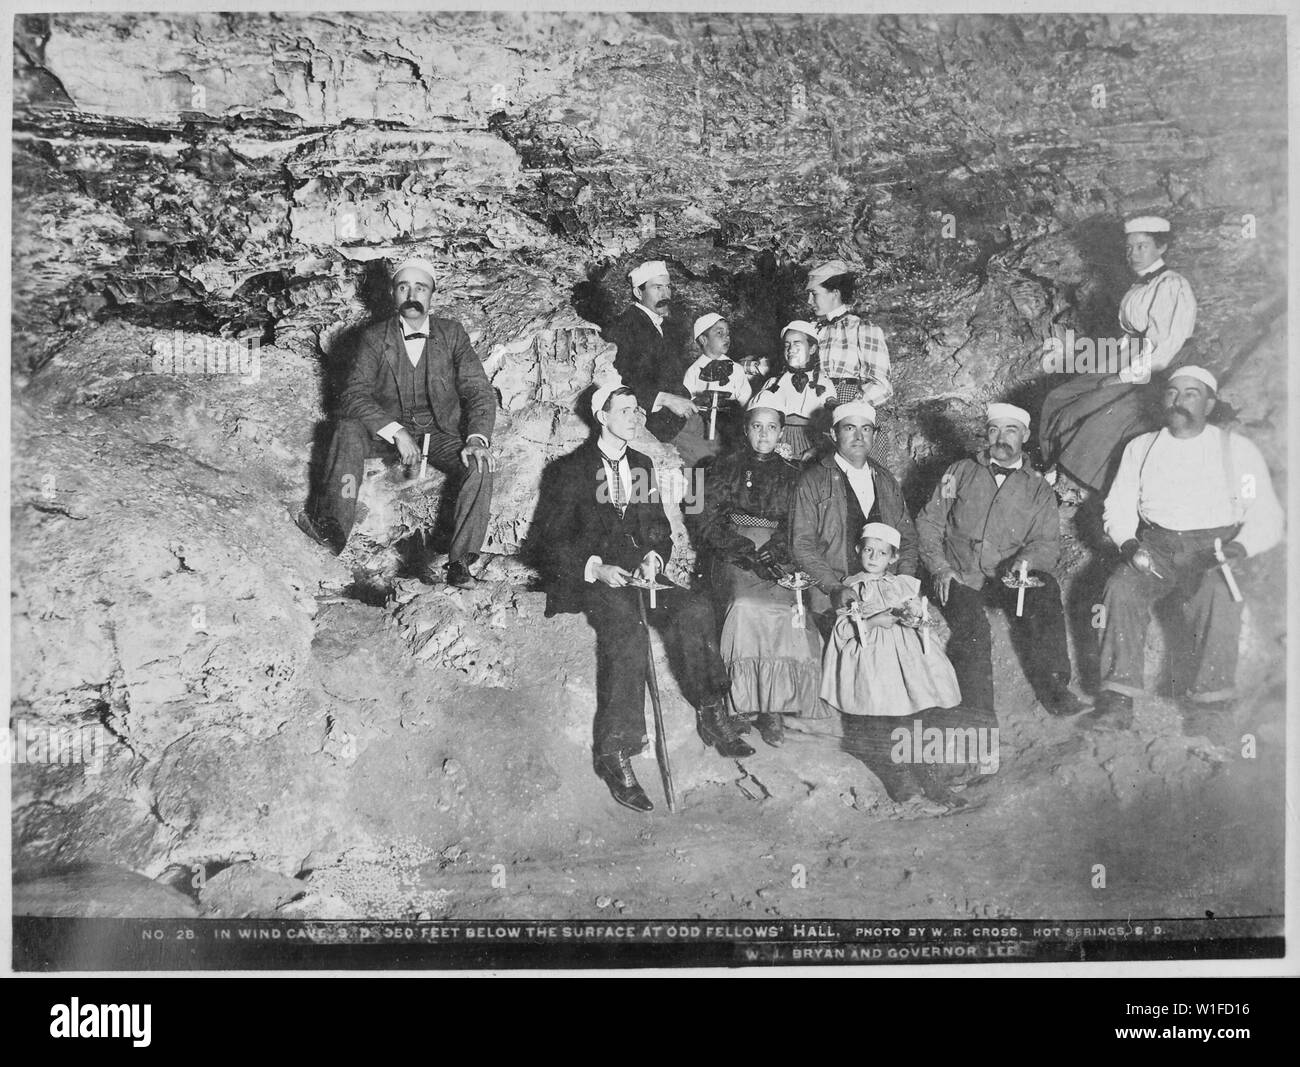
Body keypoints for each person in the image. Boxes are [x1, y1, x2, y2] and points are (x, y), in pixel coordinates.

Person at [540, 385, 754, 814]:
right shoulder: (569, 470)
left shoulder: (641, 463)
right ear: (602, 417)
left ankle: (712, 710)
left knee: (693, 608)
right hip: (593, 577)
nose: (636, 415)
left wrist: (654, 559)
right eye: (625, 410)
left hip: (638, 574)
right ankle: (615, 752)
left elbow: (657, 526)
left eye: (637, 408)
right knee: (627, 632)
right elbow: (550, 543)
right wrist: (596, 567)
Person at [1085, 367, 1284, 742]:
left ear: (1209, 403)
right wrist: (1130, 546)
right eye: (1172, 393)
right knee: (1121, 588)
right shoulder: (1140, 448)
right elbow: (1118, 506)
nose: (1179, 401)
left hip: (1214, 549)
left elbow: (1266, 515)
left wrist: (1239, 548)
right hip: (1156, 546)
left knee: (1219, 593)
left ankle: (1211, 706)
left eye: (1191, 394)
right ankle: (1118, 700)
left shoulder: (1235, 449)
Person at [297, 257, 496, 587]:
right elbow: (353, 394)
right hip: (387, 435)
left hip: (438, 434)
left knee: (479, 464)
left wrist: (476, 437)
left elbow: (478, 390)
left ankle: (460, 561)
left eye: (421, 288)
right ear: (393, 294)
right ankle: (332, 527)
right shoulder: (374, 338)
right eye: (404, 287)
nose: (412, 294)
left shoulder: (452, 334)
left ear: (432, 294)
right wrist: (396, 431)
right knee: (346, 429)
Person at [916, 404, 1086, 717]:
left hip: (1007, 579)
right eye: (994, 429)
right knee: (973, 627)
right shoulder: (958, 472)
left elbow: (1046, 542)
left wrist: (1024, 561)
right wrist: (940, 568)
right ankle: (978, 715)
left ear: (1025, 435)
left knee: (1046, 590)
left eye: (1010, 430)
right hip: (959, 574)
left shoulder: (1037, 488)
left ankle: (1055, 688)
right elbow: (929, 522)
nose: (1001, 437)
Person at [1040, 215, 1198, 500]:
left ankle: (1075, 482)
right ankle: (1054, 463)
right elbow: (1132, 333)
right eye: (1129, 248)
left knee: (1094, 410)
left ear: (1161, 248)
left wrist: (1120, 376)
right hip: (1132, 355)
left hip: (1160, 367)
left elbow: (1164, 347)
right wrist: (1110, 361)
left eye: (1142, 246)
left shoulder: (1171, 285)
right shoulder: (1140, 285)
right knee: (1062, 394)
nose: (1133, 254)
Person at [696, 405, 823, 747]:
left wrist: (778, 550)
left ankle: (773, 706)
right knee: (744, 605)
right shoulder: (722, 467)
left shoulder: (794, 474)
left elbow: (801, 522)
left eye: (771, 428)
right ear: (746, 430)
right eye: (757, 427)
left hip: (779, 553)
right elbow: (706, 519)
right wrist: (744, 550)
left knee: (788, 611)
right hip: (733, 549)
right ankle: (739, 701)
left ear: (782, 433)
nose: (764, 434)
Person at [821, 523, 963, 815]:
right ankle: (902, 784)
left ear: (893, 558)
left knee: (914, 718)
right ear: (859, 550)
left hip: (905, 662)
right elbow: (844, 629)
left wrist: (913, 619)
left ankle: (932, 779)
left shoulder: (902, 584)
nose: (874, 557)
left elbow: (920, 617)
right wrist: (873, 621)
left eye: (882, 552)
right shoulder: (852, 587)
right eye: (868, 549)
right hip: (873, 661)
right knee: (882, 722)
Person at [790, 400, 918, 625]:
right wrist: (834, 587)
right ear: (833, 433)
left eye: (866, 429)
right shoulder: (813, 480)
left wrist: (904, 584)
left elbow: (906, 538)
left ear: (874, 435)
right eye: (850, 428)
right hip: (833, 596)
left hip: (885, 597)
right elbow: (802, 545)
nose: (859, 436)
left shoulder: (886, 480)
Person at [606, 260, 718, 467]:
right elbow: (624, 380)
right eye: (657, 288)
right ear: (638, 293)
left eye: (668, 287)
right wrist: (666, 399)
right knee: (707, 464)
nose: (665, 294)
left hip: (679, 417)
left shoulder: (666, 327)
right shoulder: (626, 326)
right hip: (655, 424)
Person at [805, 258, 894, 407]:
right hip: (810, 402)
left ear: (834, 293)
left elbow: (882, 385)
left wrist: (848, 410)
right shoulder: (810, 328)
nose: (809, 301)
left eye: (814, 294)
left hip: (849, 402)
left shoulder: (863, 329)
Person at [748, 321, 835, 462]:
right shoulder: (773, 383)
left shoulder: (823, 383)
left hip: (811, 445)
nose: (790, 349)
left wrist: (818, 448)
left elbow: (833, 422)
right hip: (777, 444)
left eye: (797, 343)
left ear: (812, 348)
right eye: (787, 345)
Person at [682, 312, 753, 407]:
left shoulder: (736, 369)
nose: (726, 337)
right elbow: (685, 400)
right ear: (703, 340)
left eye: (728, 334)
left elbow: (745, 397)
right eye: (720, 333)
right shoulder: (693, 371)